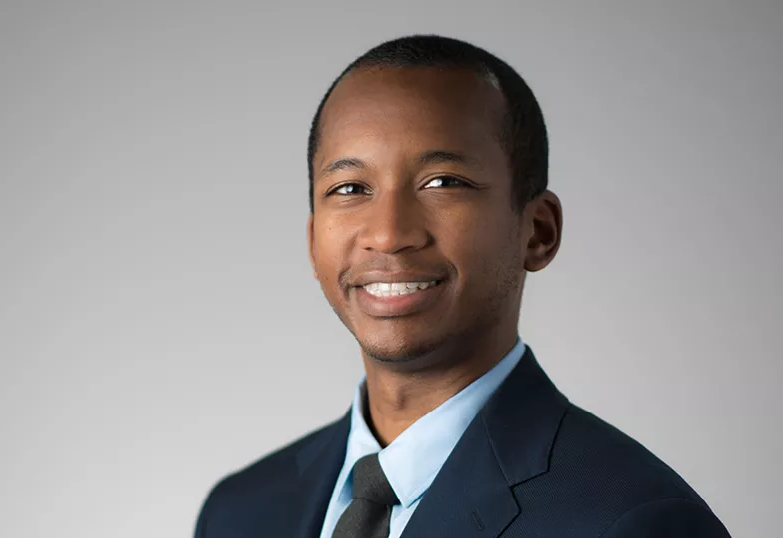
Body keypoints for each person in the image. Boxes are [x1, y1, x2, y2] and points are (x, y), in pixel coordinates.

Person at [193, 34, 730, 538]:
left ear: (537, 232)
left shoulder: (634, 520)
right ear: (313, 242)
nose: (388, 234)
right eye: (350, 187)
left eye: (444, 182)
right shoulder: (240, 511)